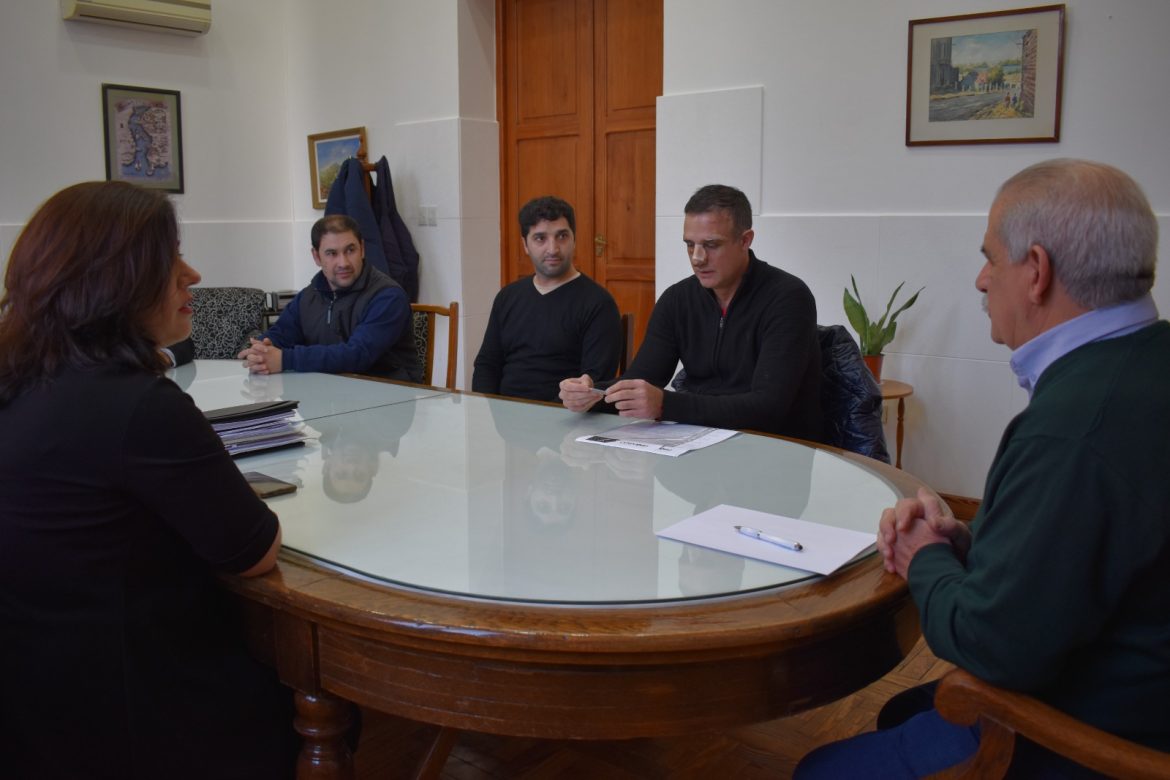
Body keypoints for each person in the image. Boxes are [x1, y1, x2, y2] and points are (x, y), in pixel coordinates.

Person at [796, 159, 1170, 778]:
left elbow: (988, 646)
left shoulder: (1074, 429)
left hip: (1086, 735)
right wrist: (968, 540)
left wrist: (923, 554)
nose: (979, 279)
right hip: (1130, 682)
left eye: (991, 258)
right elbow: (1099, 548)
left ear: (1037, 272)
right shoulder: (1142, 365)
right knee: (902, 713)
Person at [0, 181, 297, 779]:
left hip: (37, 701)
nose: (192, 273)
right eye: (170, 260)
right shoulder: (139, 405)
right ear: (117, 282)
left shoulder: (20, 383)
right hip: (145, 711)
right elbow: (254, 550)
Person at [559, 184, 822, 440]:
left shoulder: (787, 297)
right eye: (689, 245)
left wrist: (665, 405)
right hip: (696, 446)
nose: (697, 258)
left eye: (711, 245)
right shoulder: (678, 299)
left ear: (745, 240)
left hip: (774, 452)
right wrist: (591, 394)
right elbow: (640, 379)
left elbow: (768, 409)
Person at [473, 195, 622, 401]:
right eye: (540, 238)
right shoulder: (507, 297)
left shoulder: (599, 304)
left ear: (574, 239)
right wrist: (484, 410)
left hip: (566, 421)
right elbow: (487, 364)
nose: (553, 249)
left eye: (562, 236)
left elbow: (596, 381)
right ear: (525, 244)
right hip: (506, 419)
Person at [239, 214, 421, 381]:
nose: (344, 262)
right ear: (316, 257)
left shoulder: (388, 297)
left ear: (362, 249)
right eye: (332, 253)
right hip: (329, 396)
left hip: (388, 402)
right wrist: (260, 351)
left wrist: (285, 359)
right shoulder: (308, 296)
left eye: (350, 250)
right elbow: (280, 334)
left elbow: (357, 356)